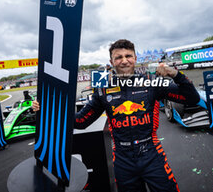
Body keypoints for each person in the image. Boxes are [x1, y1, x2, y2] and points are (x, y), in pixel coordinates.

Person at [33, 39, 200, 192]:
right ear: (111, 62)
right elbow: (80, 121)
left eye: (128, 56)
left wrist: (176, 75)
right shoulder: (103, 89)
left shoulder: (151, 82)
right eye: (118, 57)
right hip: (122, 160)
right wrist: (47, 109)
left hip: (152, 154)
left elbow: (192, 98)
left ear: (135, 58)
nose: (124, 60)